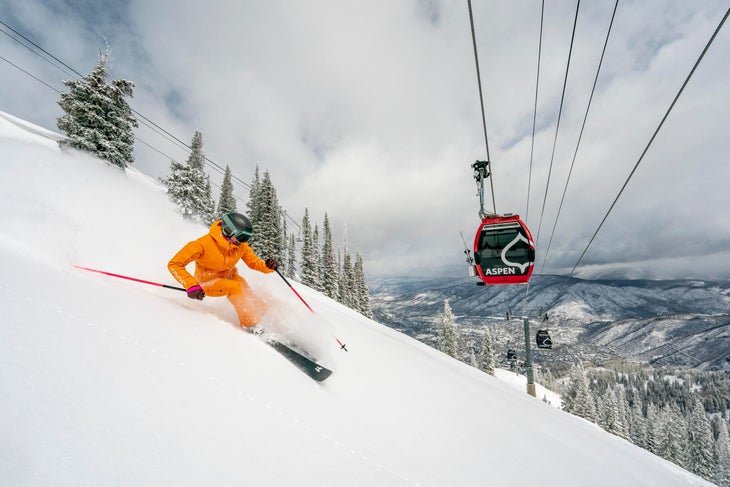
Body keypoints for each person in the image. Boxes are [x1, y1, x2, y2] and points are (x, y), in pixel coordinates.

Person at [168, 212, 280, 330]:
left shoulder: (240, 245)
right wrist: (191, 285)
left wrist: (268, 266)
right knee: (235, 287)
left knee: (242, 284)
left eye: (247, 238)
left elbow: (254, 263)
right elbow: (174, 264)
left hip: (229, 276)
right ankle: (251, 325)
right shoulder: (202, 245)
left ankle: (264, 315)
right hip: (207, 282)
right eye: (242, 237)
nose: (243, 241)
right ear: (228, 230)